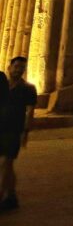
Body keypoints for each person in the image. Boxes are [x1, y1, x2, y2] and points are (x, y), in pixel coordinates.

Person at [0, 56, 37, 211]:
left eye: (21, 68)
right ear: (10, 67)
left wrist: (25, 132)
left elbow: (30, 112)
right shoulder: (2, 86)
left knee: (5, 163)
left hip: (14, 130)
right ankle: (12, 194)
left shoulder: (28, 88)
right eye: (16, 67)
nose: (18, 70)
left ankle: (1, 197)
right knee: (8, 166)